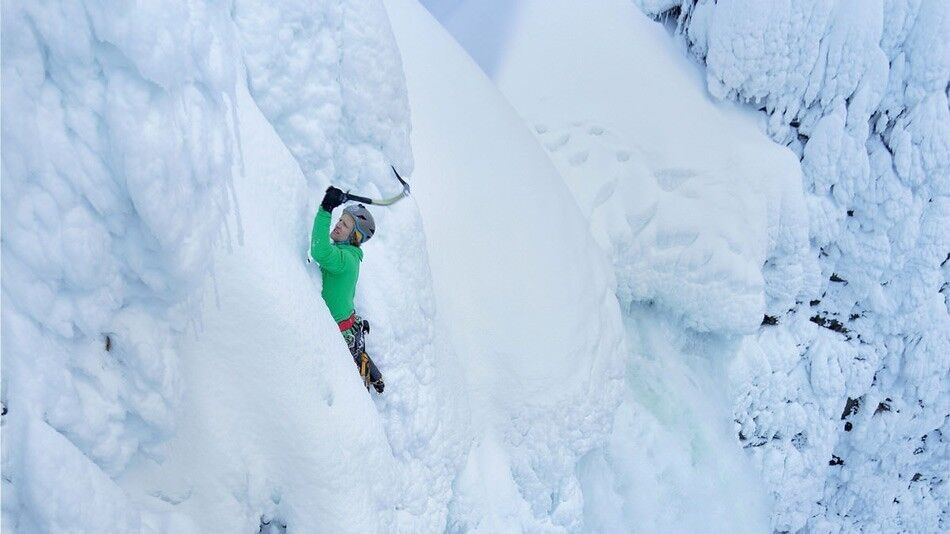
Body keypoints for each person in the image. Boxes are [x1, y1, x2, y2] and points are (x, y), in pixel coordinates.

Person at [310, 186, 384, 393]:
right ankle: (369, 368)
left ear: (356, 237)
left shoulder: (346, 260)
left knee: (349, 387)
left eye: (346, 225)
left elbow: (320, 251)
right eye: (340, 220)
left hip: (341, 334)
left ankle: (369, 378)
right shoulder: (347, 254)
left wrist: (326, 209)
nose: (338, 225)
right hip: (348, 325)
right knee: (356, 357)